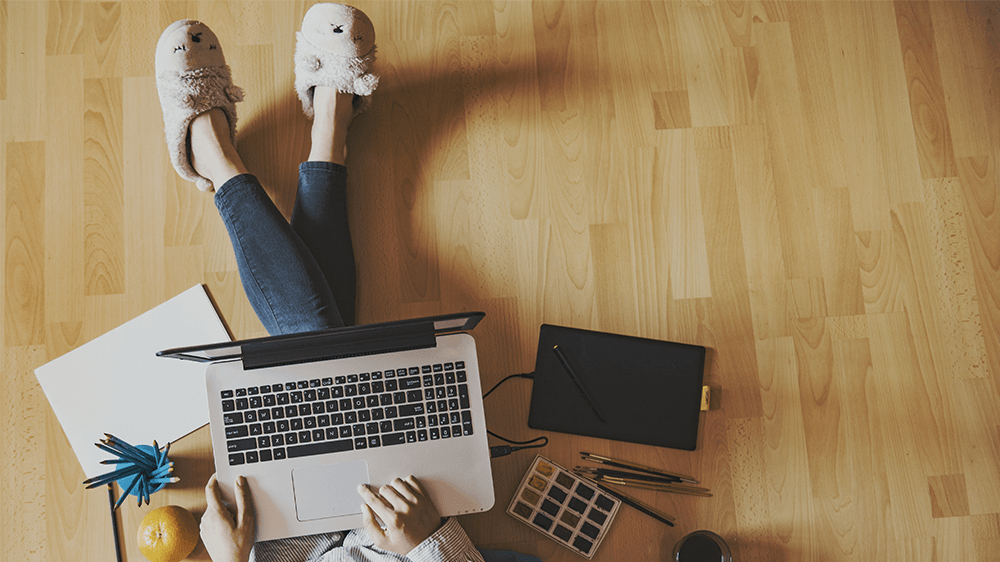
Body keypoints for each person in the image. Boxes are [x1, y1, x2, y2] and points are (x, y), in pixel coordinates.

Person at [154, 12, 538, 562]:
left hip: (291, 541)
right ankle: (293, 137)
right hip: (401, 506)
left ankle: (255, 147)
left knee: (318, 341)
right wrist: (430, 543)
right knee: (328, 347)